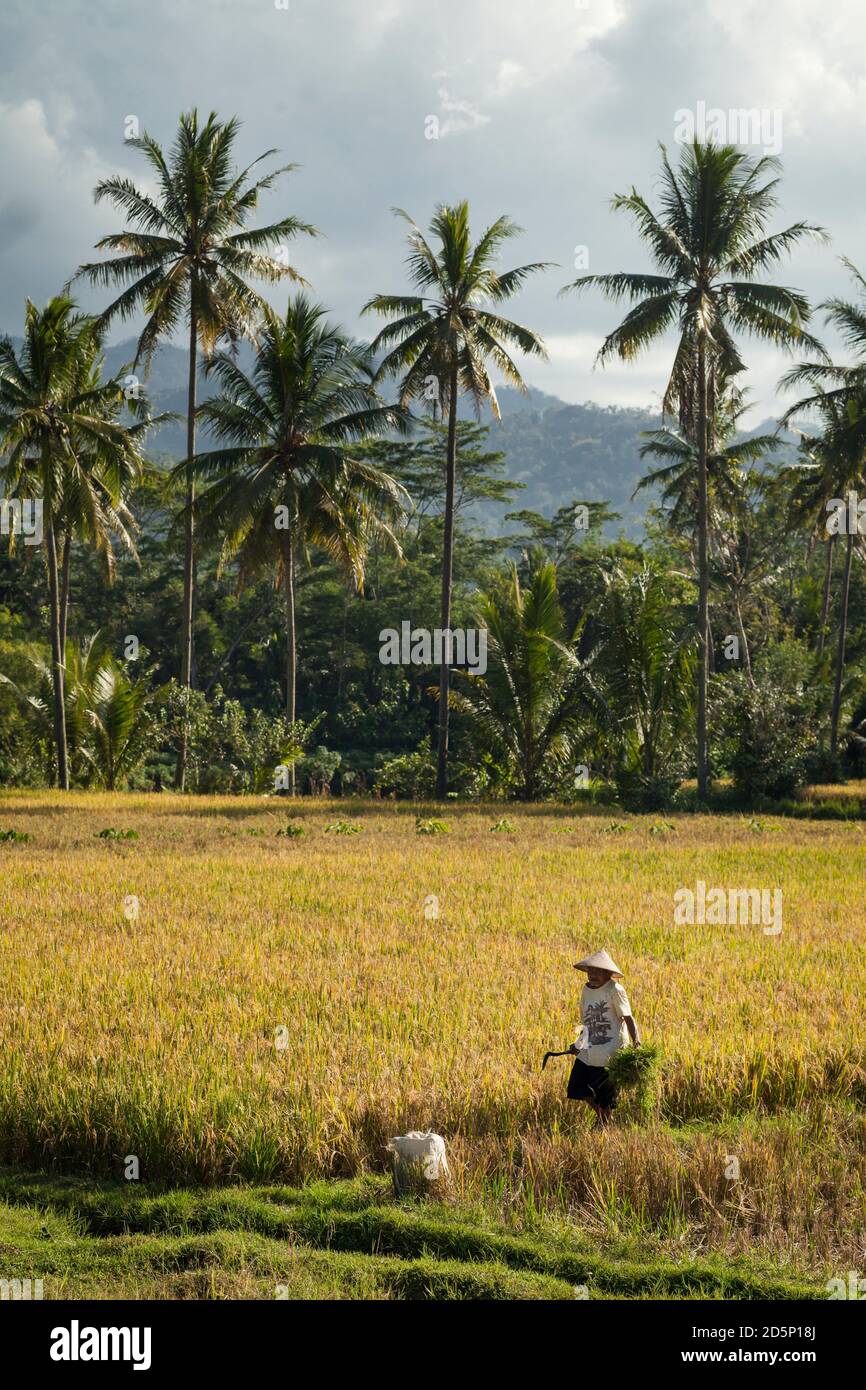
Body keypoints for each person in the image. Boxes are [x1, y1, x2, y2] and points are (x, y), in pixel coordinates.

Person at [567, 949, 639, 1126]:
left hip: (610, 1050)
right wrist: (578, 1043)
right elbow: (586, 1021)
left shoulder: (615, 990)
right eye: (590, 971)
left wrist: (637, 1042)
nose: (592, 974)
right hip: (589, 1049)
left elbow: (628, 1017)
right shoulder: (586, 990)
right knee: (576, 1086)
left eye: (597, 971)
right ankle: (601, 1116)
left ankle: (603, 1123)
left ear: (608, 974)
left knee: (605, 1095)